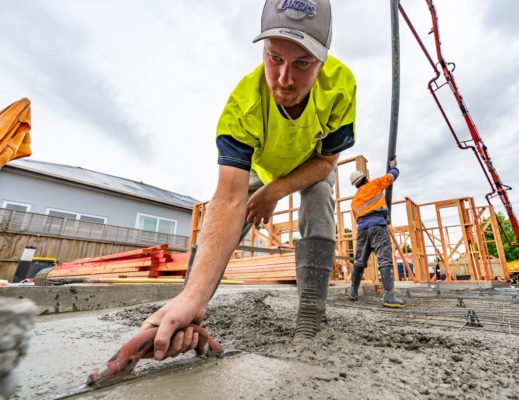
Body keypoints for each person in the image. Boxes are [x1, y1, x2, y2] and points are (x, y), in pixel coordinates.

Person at [141, 0, 357, 360]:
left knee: (319, 199)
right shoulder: (242, 107)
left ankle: (310, 312)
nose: (285, 78)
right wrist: (192, 298)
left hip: (311, 164)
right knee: (228, 212)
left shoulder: (340, 86)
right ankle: (190, 301)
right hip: (263, 165)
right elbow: (227, 199)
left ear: (322, 61)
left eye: (302, 63)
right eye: (274, 58)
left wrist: (278, 190)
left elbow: (328, 161)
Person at [345, 163, 407, 308]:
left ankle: (353, 290)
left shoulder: (354, 201)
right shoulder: (375, 184)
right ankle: (389, 296)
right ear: (365, 178)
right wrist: (394, 166)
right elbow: (392, 176)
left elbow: (357, 218)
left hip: (362, 229)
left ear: (355, 185)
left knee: (359, 260)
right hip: (377, 226)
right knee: (384, 258)